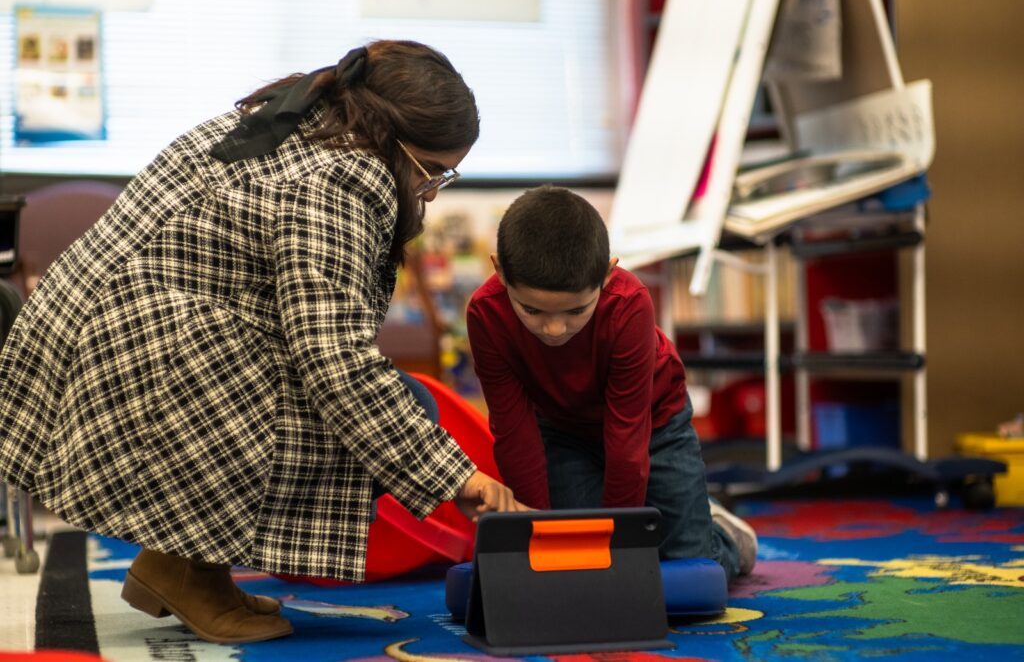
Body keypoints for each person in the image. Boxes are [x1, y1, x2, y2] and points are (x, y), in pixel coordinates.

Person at [0, 40, 529, 645]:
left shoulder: (301, 118)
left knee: (354, 394)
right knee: (393, 406)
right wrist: (454, 478)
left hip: (93, 348)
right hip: (143, 365)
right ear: (393, 137)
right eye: (430, 171)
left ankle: (183, 563)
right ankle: (186, 570)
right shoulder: (346, 177)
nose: (431, 192)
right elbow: (335, 360)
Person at [466, 185, 757, 582]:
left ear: (607, 273)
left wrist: (623, 548)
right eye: (532, 310)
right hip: (564, 432)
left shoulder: (629, 304)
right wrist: (534, 531)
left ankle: (722, 531)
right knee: (579, 560)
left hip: (656, 425)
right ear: (500, 272)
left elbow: (627, 437)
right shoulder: (485, 314)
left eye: (576, 311)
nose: (554, 329)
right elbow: (513, 429)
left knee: (694, 569)